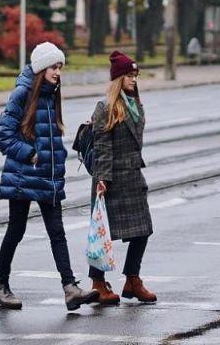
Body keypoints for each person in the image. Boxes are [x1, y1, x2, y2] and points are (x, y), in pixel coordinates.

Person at [0, 42, 94, 312]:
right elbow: (4, 136)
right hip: (24, 176)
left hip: (46, 177)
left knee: (57, 232)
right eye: (54, 67)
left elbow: (50, 136)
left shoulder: (50, 94)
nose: (58, 72)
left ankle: (70, 288)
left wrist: (56, 165)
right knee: (16, 230)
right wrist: (30, 155)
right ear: (41, 69)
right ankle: (0, 287)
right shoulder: (23, 93)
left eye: (60, 67)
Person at [87, 51, 157, 305]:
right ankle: (97, 282)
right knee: (104, 233)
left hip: (133, 178)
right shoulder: (106, 108)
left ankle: (132, 279)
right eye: (129, 75)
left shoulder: (136, 106)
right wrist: (102, 179)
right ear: (118, 79)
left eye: (135, 75)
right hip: (111, 180)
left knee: (144, 230)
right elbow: (102, 146)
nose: (133, 80)